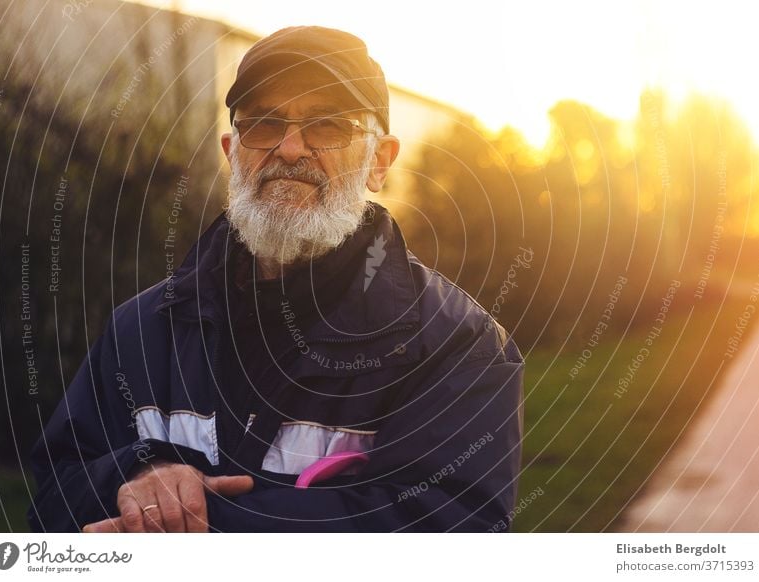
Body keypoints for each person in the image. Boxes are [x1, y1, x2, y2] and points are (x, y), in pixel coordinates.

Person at [27, 25, 524, 533]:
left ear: (380, 162)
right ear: (231, 152)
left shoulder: (457, 345)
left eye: (328, 125)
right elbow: (52, 495)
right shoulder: (141, 331)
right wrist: (135, 471)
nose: (289, 149)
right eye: (262, 123)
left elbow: (451, 529)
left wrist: (200, 524)